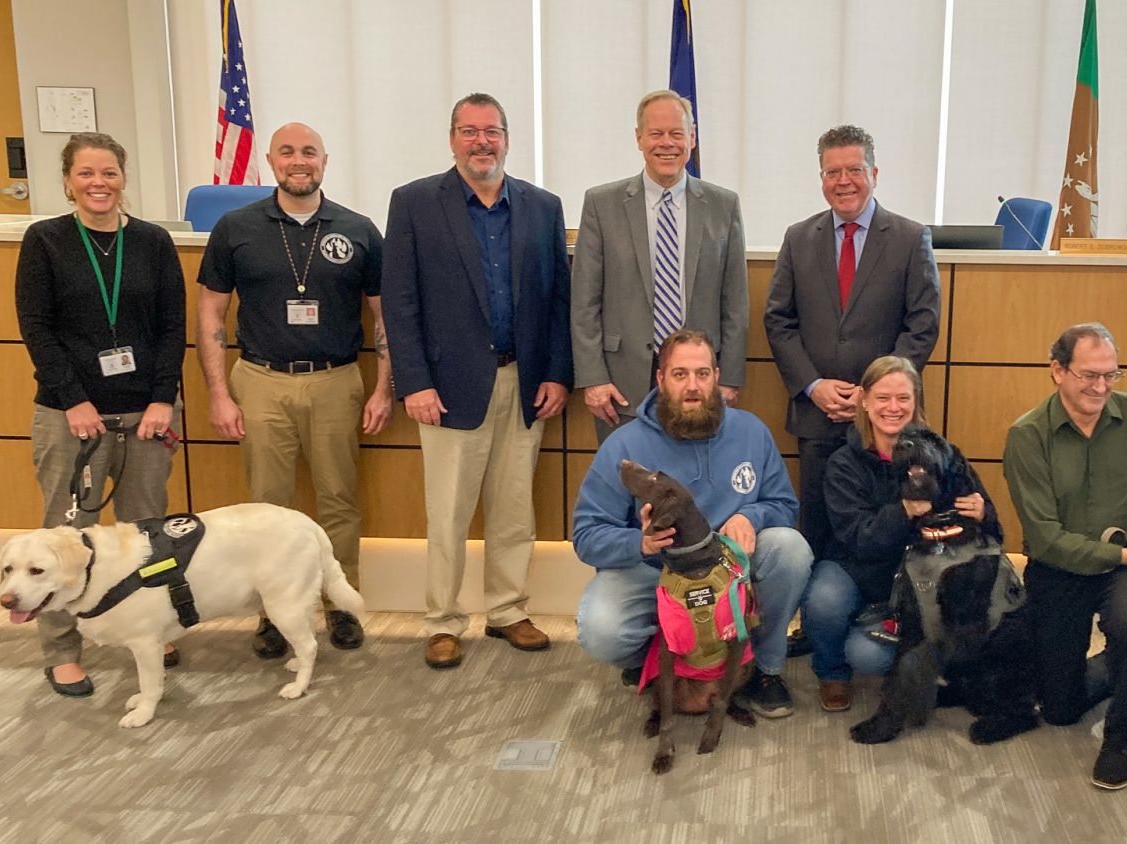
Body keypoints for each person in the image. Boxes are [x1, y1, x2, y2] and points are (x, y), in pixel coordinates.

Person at [380, 93, 572, 670]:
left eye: (491, 131)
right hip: (445, 387)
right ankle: (442, 621)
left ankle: (509, 611)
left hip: (524, 383)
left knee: (515, 511)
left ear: (507, 139)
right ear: (452, 139)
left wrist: (559, 374)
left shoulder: (542, 207)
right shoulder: (414, 203)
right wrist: (412, 381)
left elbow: (559, 298)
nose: (481, 141)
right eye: (469, 131)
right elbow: (400, 299)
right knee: (448, 514)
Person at [197, 122, 391, 655]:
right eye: (287, 152)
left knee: (339, 501)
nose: (298, 160)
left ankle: (340, 606)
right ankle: (273, 614)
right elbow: (211, 310)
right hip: (259, 381)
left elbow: (383, 315)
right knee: (267, 508)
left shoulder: (358, 230)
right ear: (271, 161)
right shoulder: (236, 227)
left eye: (309, 152)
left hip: (335, 380)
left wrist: (383, 390)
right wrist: (218, 393)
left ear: (325, 162)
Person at [14, 132, 186, 696]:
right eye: (86, 173)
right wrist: (74, 399)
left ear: (124, 178)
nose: (98, 183)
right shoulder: (45, 241)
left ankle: (152, 628)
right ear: (67, 180)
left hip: (147, 414)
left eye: (109, 172)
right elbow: (36, 329)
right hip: (71, 418)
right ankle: (63, 651)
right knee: (64, 541)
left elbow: (171, 328)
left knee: (146, 533)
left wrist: (164, 398)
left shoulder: (153, 242)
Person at [573, 329, 812, 718]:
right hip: (655, 573)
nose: (692, 386)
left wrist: (750, 515)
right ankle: (652, 660)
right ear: (661, 379)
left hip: (731, 575)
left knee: (791, 548)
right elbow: (586, 536)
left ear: (717, 377)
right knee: (601, 629)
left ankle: (764, 670)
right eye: (680, 374)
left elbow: (784, 505)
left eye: (702, 374)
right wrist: (640, 543)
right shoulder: (623, 445)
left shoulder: (751, 431)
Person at [1002, 323, 1127, 790]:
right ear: (1057, 371)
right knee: (1059, 710)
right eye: (1088, 375)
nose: (1101, 387)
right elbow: (1044, 538)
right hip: (1062, 568)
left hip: (1125, 565)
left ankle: (1120, 737)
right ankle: (1114, 670)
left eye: (1110, 375)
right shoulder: (1027, 435)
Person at [763, 124, 941, 561]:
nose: (843, 181)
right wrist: (812, 385)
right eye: (832, 172)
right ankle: (818, 622)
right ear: (821, 178)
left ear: (874, 173)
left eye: (854, 169)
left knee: (888, 524)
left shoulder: (908, 237)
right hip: (817, 415)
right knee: (818, 527)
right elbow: (778, 319)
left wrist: (874, 392)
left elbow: (924, 323)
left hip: (886, 419)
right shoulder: (798, 237)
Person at [803, 355, 994, 712]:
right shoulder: (843, 462)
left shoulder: (945, 453)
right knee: (823, 602)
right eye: (883, 398)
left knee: (869, 656)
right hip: (854, 568)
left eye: (903, 398)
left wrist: (983, 511)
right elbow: (860, 538)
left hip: (919, 578)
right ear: (864, 399)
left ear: (916, 402)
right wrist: (905, 511)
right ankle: (832, 672)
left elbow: (992, 527)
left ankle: (887, 649)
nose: (893, 407)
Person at [571, 90, 747, 440]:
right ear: (639, 138)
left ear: (692, 138)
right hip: (620, 386)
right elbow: (584, 301)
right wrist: (593, 378)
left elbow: (736, 303)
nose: (667, 144)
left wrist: (728, 379)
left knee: (695, 486)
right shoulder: (601, 204)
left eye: (677, 134)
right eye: (656, 133)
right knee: (627, 484)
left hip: (698, 383)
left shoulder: (722, 206)